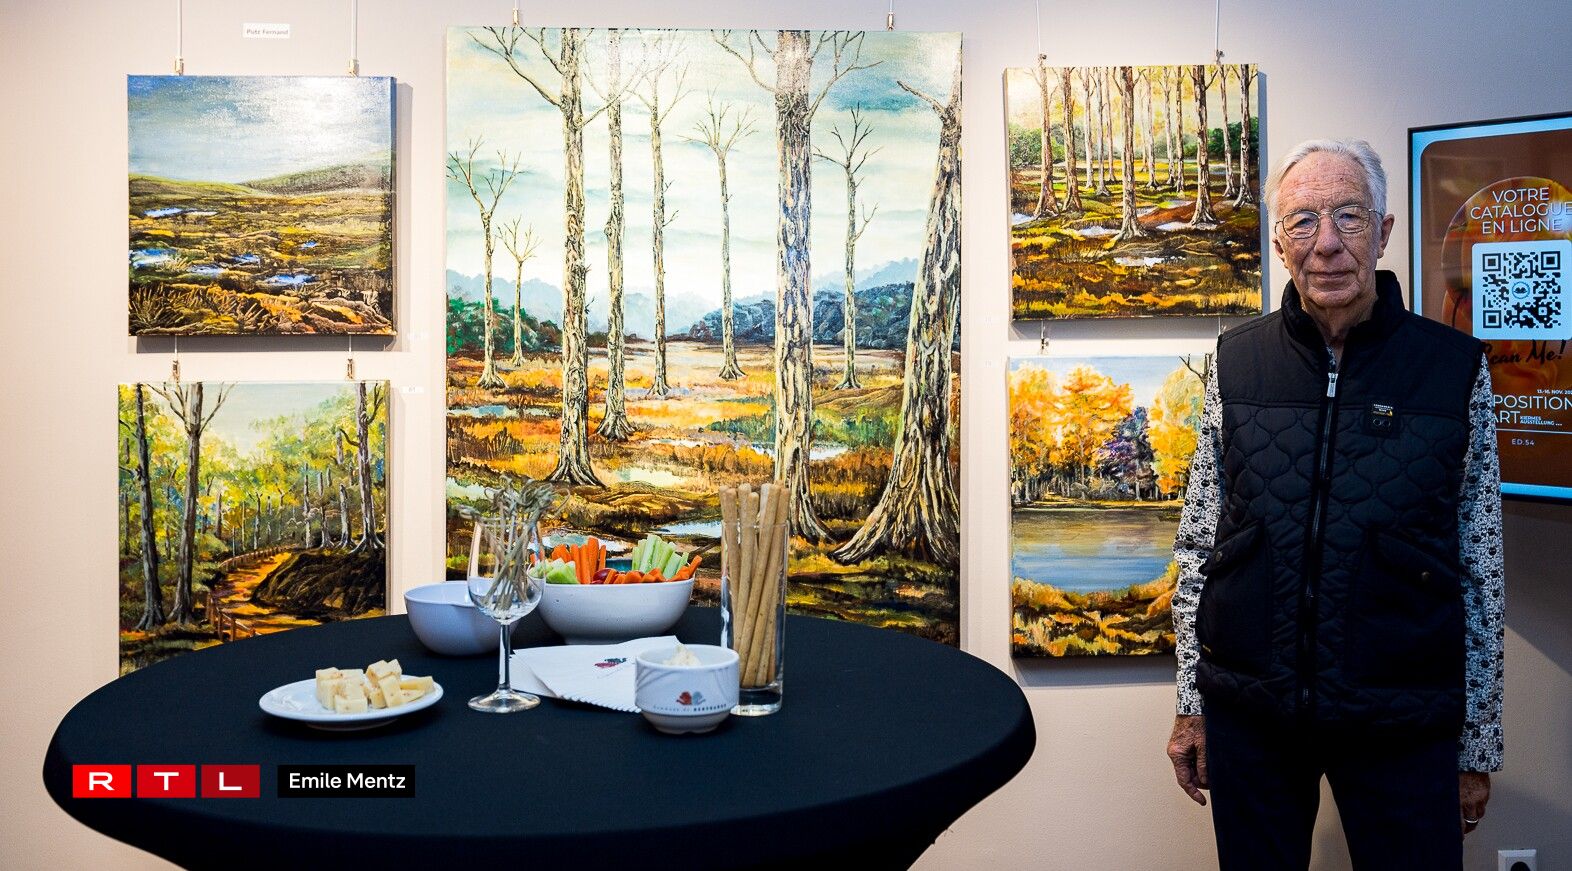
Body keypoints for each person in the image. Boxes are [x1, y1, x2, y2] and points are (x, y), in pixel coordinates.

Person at [1165, 139, 1505, 869]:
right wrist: (1192, 701)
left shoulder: (1453, 370)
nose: (1326, 244)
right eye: (1302, 220)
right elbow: (1199, 545)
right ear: (1279, 243)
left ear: (1383, 232)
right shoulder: (1236, 361)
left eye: (1349, 216)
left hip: (1401, 716)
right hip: (1253, 712)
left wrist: (1476, 742)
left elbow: (1480, 568)